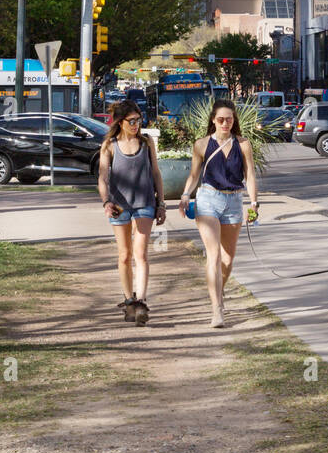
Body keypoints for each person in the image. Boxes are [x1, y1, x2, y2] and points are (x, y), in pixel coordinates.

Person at [178, 100, 258, 328]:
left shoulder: (243, 144)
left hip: (233, 200)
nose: (225, 123)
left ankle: (218, 291)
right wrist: (185, 195)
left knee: (227, 259)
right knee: (212, 255)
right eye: (221, 119)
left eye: (230, 119)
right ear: (213, 120)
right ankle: (217, 309)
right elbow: (194, 175)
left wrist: (254, 203)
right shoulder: (201, 144)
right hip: (208, 199)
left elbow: (250, 174)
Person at [98, 98, 166, 325]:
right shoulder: (109, 145)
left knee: (141, 253)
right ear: (120, 122)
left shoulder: (146, 143)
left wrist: (162, 202)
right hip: (118, 206)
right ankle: (129, 301)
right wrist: (106, 201)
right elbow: (103, 177)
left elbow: (156, 173)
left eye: (139, 120)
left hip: (145, 202)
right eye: (132, 121)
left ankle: (142, 302)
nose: (136, 124)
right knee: (124, 255)